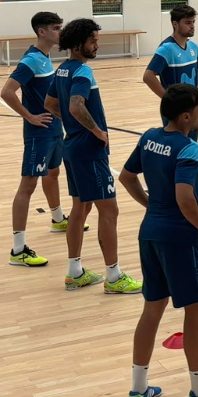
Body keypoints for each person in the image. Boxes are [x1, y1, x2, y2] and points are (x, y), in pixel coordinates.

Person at [118, 83, 198, 397]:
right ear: (187, 116)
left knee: (152, 309)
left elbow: (127, 177)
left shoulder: (148, 137)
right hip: (178, 238)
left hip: (150, 233)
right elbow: (185, 198)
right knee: (197, 310)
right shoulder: (187, 148)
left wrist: (150, 205)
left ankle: (138, 389)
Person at [46, 19, 142, 295]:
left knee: (80, 208)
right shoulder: (82, 72)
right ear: (78, 44)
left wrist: (76, 127)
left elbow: (50, 104)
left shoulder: (62, 70)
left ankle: (75, 273)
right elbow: (76, 106)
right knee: (109, 210)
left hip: (72, 148)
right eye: (93, 41)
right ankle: (114, 277)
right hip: (89, 151)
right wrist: (97, 131)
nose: (97, 45)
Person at [1, 10, 65, 268]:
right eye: (56, 28)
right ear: (42, 32)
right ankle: (18, 250)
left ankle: (58, 218)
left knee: (53, 173)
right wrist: (30, 117)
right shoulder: (31, 61)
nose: (60, 32)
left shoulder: (46, 57)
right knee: (28, 186)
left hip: (53, 130)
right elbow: (7, 92)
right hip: (39, 134)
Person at [144, 5, 198, 138]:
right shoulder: (166, 48)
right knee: (176, 147)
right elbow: (148, 76)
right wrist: (169, 99)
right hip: (176, 111)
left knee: (191, 146)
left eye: (193, 22)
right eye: (188, 23)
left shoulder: (193, 47)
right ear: (175, 24)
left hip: (192, 108)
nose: (192, 26)